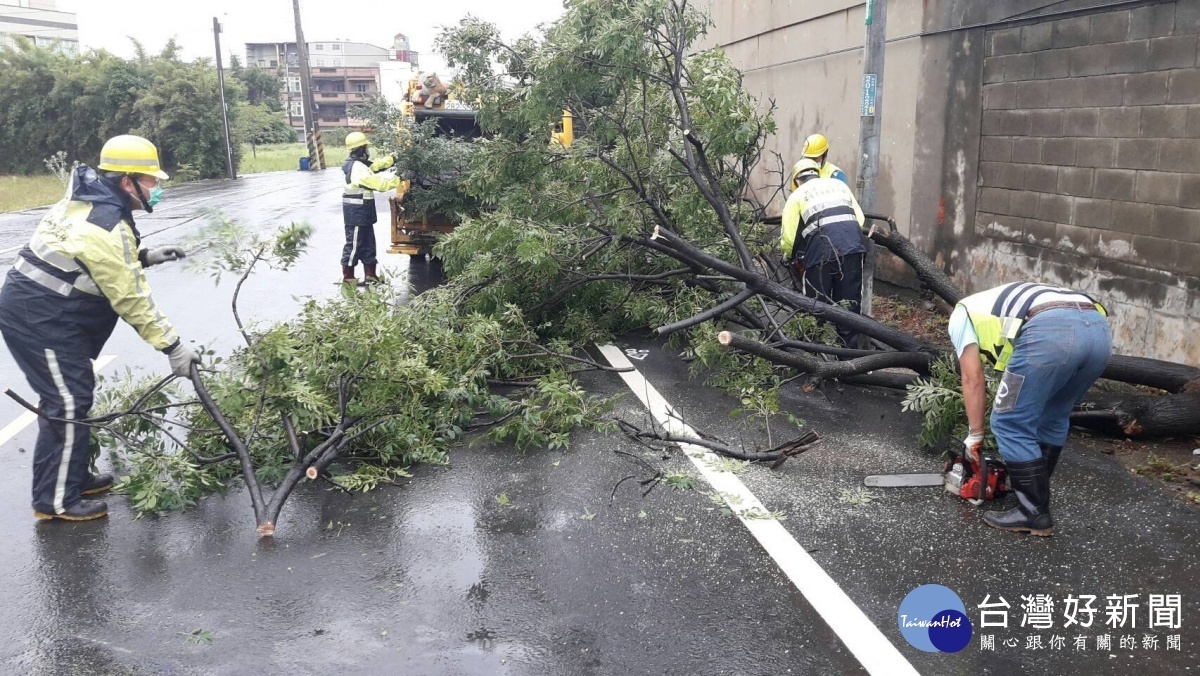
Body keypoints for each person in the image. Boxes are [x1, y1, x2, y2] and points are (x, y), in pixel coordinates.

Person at [0, 134, 199, 522]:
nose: (156, 189)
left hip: (47, 311)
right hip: (39, 316)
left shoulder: (87, 199)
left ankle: (72, 478)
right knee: (68, 401)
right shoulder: (103, 225)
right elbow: (132, 299)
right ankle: (55, 501)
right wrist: (173, 347)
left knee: (74, 394)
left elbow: (91, 259)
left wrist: (143, 256)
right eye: (151, 182)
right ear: (128, 182)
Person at [949, 282, 1111, 536]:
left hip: (1050, 332)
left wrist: (976, 435)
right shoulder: (995, 301)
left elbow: (972, 378)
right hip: (1098, 329)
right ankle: (1035, 494)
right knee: (1054, 415)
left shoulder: (962, 314)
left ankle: (1033, 512)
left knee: (1009, 421)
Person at [780, 158, 867, 347]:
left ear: (796, 181)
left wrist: (790, 255)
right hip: (852, 247)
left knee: (814, 307)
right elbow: (859, 220)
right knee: (849, 308)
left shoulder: (797, 195)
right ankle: (852, 363)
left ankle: (810, 357)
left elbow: (788, 239)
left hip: (820, 253)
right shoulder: (839, 185)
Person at [340, 132, 402, 285]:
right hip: (355, 213)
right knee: (354, 245)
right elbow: (379, 184)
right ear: (361, 148)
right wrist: (400, 178)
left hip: (363, 212)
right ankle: (348, 277)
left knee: (368, 243)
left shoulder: (359, 164)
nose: (368, 150)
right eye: (366, 147)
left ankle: (371, 276)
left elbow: (375, 166)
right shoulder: (356, 168)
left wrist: (393, 159)